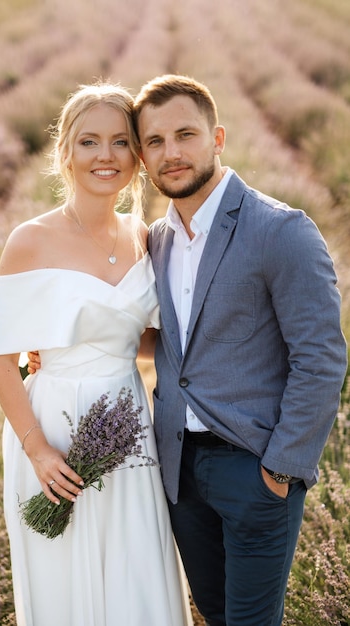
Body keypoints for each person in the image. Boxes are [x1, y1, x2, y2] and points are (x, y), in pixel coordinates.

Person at [131, 74, 348, 626]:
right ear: (141, 155)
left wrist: (280, 469)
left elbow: (320, 359)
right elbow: (165, 342)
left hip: (254, 470)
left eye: (186, 134)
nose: (171, 153)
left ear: (217, 138)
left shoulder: (282, 231)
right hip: (178, 470)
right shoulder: (155, 240)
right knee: (212, 612)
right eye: (154, 142)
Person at [0, 82, 192, 626]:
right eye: (89, 142)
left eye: (120, 142)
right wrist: (39, 452)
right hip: (51, 427)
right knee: (64, 581)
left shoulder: (144, 237)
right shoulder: (29, 241)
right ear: (66, 154)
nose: (106, 156)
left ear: (138, 157)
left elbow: (138, 343)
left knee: (137, 568)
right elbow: (1, 360)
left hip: (127, 423)